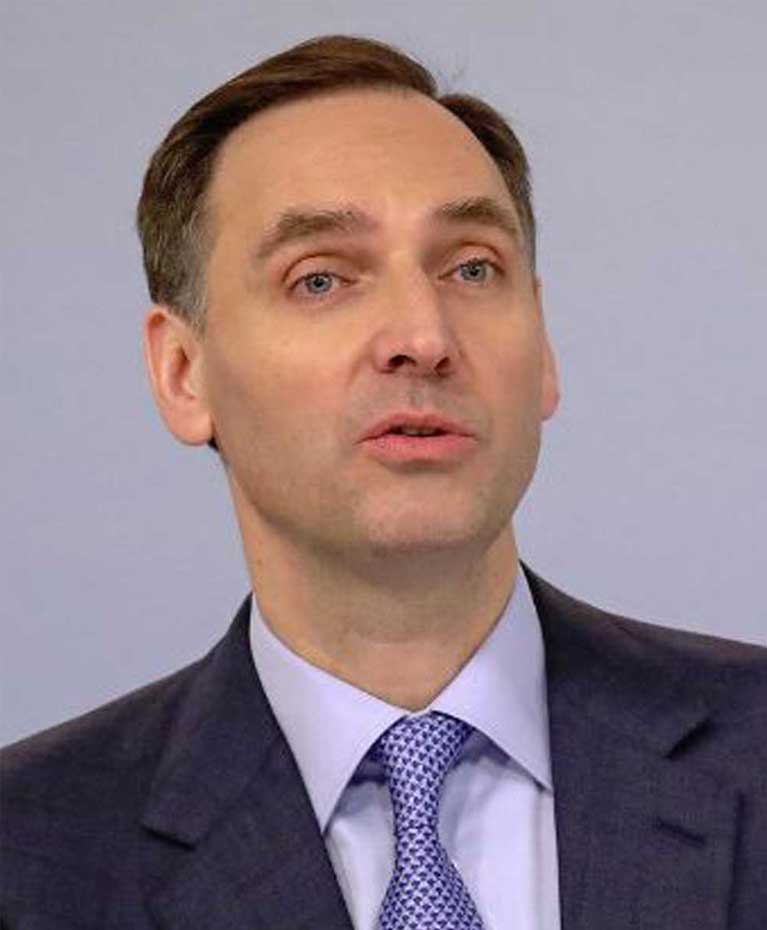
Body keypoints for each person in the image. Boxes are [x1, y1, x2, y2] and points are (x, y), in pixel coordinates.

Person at [1, 33, 765, 930]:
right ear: (182, 373)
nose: (423, 336)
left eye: (471, 268)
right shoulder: (31, 853)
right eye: (321, 279)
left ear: (544, 348)